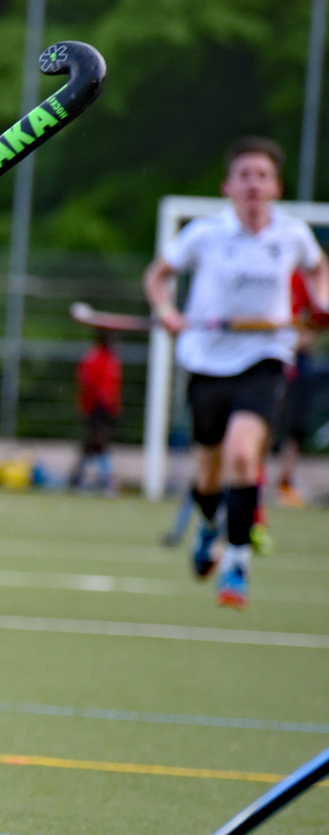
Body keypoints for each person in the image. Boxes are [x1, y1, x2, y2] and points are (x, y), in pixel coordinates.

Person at [143, 136, 328, 609]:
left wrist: (322, 304)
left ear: (276, 186)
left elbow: (318, 269)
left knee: (242, 455)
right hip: (207, 360)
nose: (253, 184)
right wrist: (166, 310)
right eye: (244, 175)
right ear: (228, 185)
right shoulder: (205, 234)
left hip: (265, 357)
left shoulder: (291, 235)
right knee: (207, 471)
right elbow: (157, 276)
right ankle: (208, 528)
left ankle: (238, 560)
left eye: (262, 176)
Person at [277, 268, 322, 508]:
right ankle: (254, 479)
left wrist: (301, 339)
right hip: (266, 359)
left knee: (296, 425)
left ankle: (285, 482)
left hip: (298, 360)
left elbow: (314, 319)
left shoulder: (304, 279)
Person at [68, 328, 121, 492]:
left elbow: (113, 385)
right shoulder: (93, 358)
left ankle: (78, 477)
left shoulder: (111, 359)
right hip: (95, 406)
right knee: (98, 440)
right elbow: (88, 383)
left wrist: (114, 404)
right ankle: (105, 478)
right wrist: (102, 400)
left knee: (93, 442)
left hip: (105, 406)